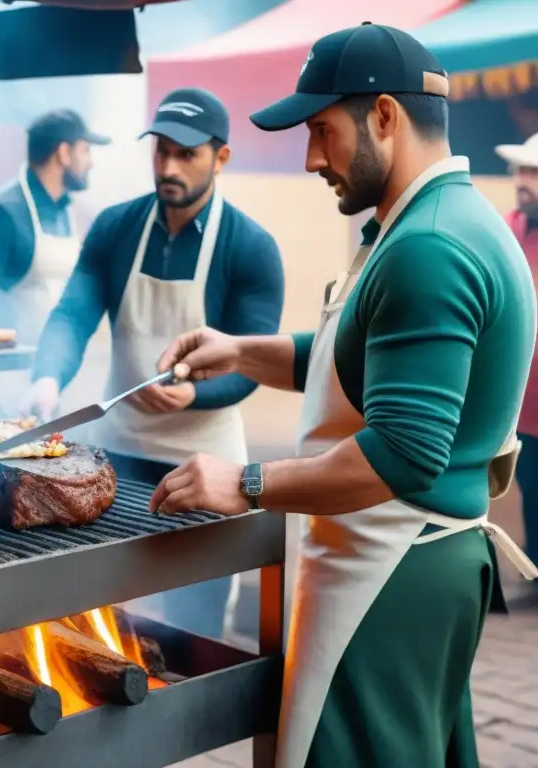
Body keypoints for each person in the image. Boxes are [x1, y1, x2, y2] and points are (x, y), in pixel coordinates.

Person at [152, 23, 538, 767]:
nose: (310, 158)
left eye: (323, 130)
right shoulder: (440, 221)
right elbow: (357, 361)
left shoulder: (427, 247)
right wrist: (240, 350)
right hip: (419, 562)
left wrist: (247, 482)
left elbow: (401, 455)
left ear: (385, 117)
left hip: (389, 570)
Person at [23, 88, 285, 639]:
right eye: (161, 151)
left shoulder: (251, 247)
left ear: (222, 157)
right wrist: (47, 380)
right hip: (119, 452)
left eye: (186, 154)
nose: (168, 167)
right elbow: (73, 313)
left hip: (205, 459)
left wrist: (195, 395)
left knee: (196, 624)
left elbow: (252, 362)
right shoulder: (116, 227)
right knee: (102, 614)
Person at [0, 109, 109, 343]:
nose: (91, 162)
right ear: (64, 153)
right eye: (85, 151)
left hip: (57, 357)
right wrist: (25, 325)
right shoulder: (2, 213)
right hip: (14, 367)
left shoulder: (65, 210)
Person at [496, 132, 538, 576]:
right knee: (531, 485)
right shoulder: (505, 230)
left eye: (533, 172)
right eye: (519, 171)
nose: (522, 180)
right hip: (522, 403)